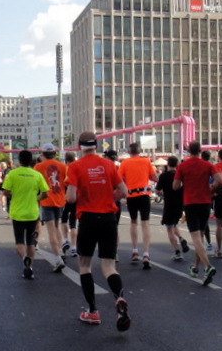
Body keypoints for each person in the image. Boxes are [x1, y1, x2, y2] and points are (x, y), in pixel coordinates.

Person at [66, 131, 130, 330]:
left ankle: (93, 311)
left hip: (88, 218)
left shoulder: (75, 167)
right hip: (108, 218)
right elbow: (124, 191)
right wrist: (108, 196)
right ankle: (119, 297)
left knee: (84, 266)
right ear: (96, 145)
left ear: (80, 145)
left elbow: (70, 198)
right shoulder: (109, 164)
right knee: (109, 267)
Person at [172, 141, 216, 285]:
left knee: (195, 236)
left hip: (191, 203)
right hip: (205, 203)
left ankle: (207, 266)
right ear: (200, 151)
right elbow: (220, 180)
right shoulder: (208, 165)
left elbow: (175, 186)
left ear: (188, 151)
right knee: (201, 236)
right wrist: (211, 188)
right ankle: (196, 267)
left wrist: (185, 183)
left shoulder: (183, 166)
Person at [1, 150, 49, 280]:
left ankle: (24, 260)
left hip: (17, 213)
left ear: (19, 161)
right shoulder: (36, 175)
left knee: (19, 242)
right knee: (30, 242)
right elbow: (46, 193)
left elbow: (5, 192)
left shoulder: (13, 174)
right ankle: (30, 268)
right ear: (31, 161)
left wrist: (14, 195)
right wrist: (37, 197)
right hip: (32, 212)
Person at [118, 141, 157, 269]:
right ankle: (146, 253)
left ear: (129, 152)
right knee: (145, 223)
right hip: (144, 195)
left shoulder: (124, 163)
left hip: (131, 196)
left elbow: (119, 179)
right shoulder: (146, 162)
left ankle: (135, 250)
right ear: (140, 151)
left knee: (133, 222)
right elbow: (154, 177)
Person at [34, 143, 68, 272]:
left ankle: (57, 258)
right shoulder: (63, 166)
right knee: (56, 226)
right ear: (54, 153)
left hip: (46, 200)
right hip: (60, 200)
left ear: (42, 154)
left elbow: (36, 184)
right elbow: (67, 182)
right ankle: (61, 251)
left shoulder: (38, 167)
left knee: (51, 230)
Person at [155, 155, 190, 261]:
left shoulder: (164, 176)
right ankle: (181, 238)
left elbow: (157, 191)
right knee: (174, 224)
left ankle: (177, 251)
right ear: (177, 164)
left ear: (168, 164)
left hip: (169, 204)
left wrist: (161, 192)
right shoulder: (180, 175)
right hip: (180, 204)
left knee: (169, 228)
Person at [60, 151, 78, 257]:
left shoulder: (64, 168)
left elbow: (63, 182)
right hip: (76, 197)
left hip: (65, 197)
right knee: (73, 223)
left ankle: (66, 239)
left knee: (63, 219)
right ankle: (74, 248)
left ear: (65, 160)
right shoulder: (77, 168)